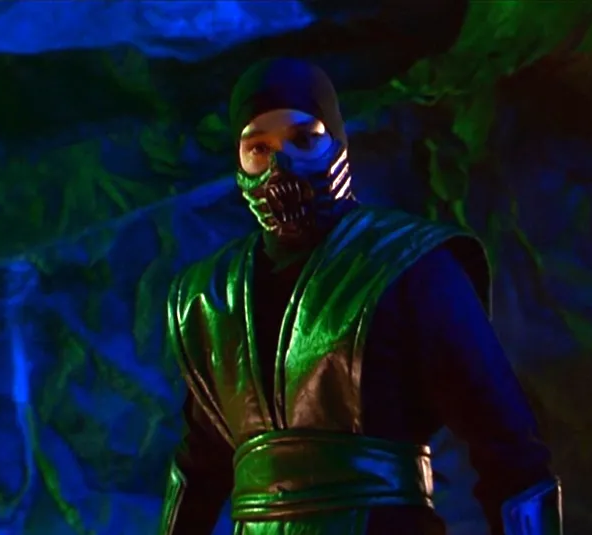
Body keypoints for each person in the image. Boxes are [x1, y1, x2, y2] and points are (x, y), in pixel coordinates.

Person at [157, 58, 562, 535]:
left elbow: (511, 454)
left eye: (304, 139)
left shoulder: (410, 266)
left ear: (337, 141)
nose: (280, 167)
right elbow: (201, 463)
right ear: (239, 158)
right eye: (258, 148)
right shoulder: (210, 298)